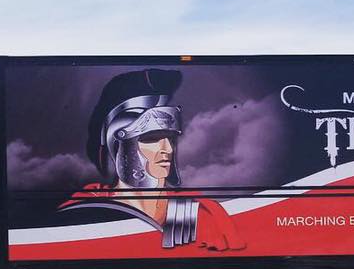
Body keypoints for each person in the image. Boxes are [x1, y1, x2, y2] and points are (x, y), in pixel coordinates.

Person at [59, 69, 244, 251]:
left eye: (170, 138)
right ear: (118, 143)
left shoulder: (200, 215)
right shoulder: (85, 210)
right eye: (152, 138)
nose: (168, 149)